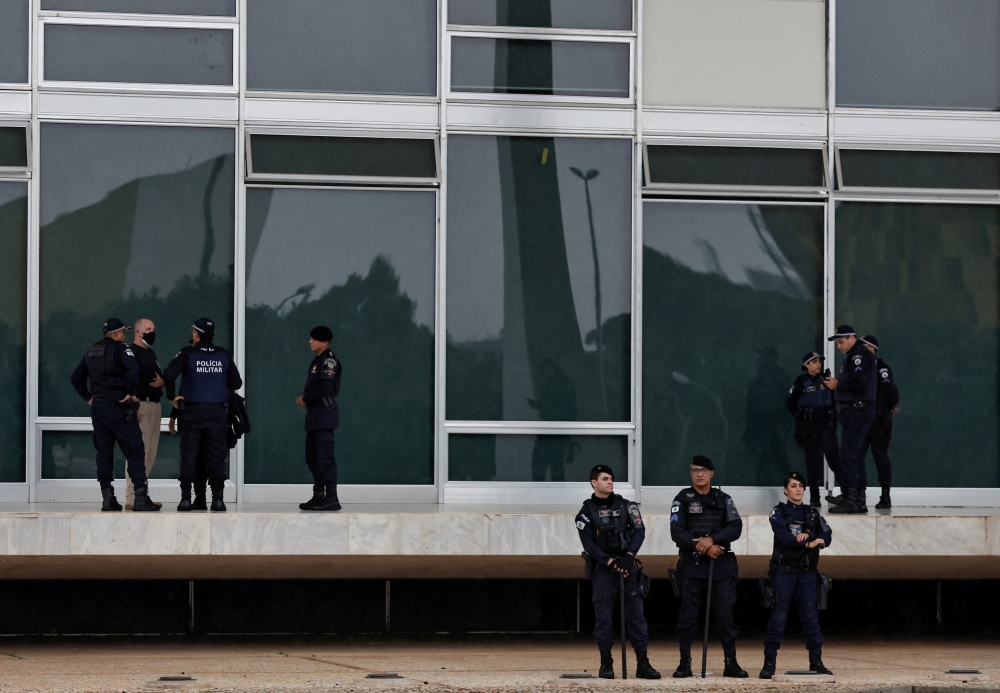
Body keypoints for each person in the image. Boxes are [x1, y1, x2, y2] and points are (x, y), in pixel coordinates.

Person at [576, 465, 660, 680]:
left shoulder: (626, 506)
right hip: (604, 570)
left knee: (636, 616)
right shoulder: (585, 512)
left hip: (627, 567)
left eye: (612, 478)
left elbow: (639, 531)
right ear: (594, 482)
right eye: (605, 479)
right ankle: (606, 661)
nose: (610, 482)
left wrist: (629, 556)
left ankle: (643, 662)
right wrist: (609, 561)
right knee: (603, 616)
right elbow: (588, 544)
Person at [69, 318, 160, 512]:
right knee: (135, 449)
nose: (124, 336)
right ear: (117, 333)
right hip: (118, 406)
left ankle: (108, 498)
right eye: (123, 333)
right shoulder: (121, 349)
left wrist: (89, 398)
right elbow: (133, 369)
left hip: (99, 408)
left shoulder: (92, 350)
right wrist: (132, 394)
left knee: (104, 451)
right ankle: (140, 497)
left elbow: (76, 378)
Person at [669, 456, 747, 678]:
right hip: (692, 566)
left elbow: (735, 527)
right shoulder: (682, 499)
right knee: (687, 617)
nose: (699, 474)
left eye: (703, 470)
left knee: (726, 616)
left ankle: (730, 663)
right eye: (694, 470)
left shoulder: (724, 499)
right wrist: (704, 547)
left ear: (711, 473)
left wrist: (712, 539)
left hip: (720, 565)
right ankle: (685, 663)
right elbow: (677, 532)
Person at [163, 318, 242, 512]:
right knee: (216, 457)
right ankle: (218, 500)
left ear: (197, 334)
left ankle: (186, 500)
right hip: (216, 414)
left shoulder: (188, 353)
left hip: (192, 413)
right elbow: (236, 383)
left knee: (190, 456)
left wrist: (172, 397)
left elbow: (168, 375)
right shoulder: (223, 354)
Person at [760, 471, 834, 679]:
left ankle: (816, 662)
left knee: (811, 618)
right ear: (785, 490)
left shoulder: (812, 513)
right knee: (778, 617)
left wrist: (811, 536)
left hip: (808, 574)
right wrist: (807, 543)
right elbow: (783, 536)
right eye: (793, 485)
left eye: (801, 485)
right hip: (784, 573)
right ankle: (769, 663)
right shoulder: (778, 512)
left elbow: (827, 535)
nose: (798, 489)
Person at [823, 325, 876, 515]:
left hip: (858, 410)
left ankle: (852, 498)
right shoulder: (853, 356)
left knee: (849, 453)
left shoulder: (858, 355)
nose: (839, 346)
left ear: (852, 337)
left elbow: (860, 383)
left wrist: (838, 384)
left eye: (841, 341)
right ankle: (856, 497)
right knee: (854, 454)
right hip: (854, 410)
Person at [295, 326, 343, 512]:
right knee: (313, 458)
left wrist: (305, 399)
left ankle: (331, 498)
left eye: (314, 339)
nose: (310, 341)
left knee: (325, 459)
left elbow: (326, 388)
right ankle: (318, 496)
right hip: (315, 416)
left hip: (324, 414)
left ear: (324, 342)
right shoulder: (318, 360)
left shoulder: (328, 361)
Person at [786, 352, 840, 507]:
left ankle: (846, 493)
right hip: (809, 426)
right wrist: (801, 417)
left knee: (835, 460)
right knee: (813, 462)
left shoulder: (827, 380)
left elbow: (834, 399)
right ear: (806, 365)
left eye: (819, 361)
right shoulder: (801, 382)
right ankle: (815, 497)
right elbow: (791, 403)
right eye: (814, 362)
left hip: (826, 425)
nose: (818, 364)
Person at [127, 318, 164, 510]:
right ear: (138, 332)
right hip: (141, 406)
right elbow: (128, 381)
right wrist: (133, 408)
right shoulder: (131, 352)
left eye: (153, 328)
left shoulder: (150, 353)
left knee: (150, 454)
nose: (152, 332)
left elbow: (155, 377)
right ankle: (133, 497)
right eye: (148, 329)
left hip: (155, 406)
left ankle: (143, 494)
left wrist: (162, 382)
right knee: (138, 454)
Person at [858, 336, 899, 509]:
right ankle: (858, 495)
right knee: (856, 456)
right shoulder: (859, 369)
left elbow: (891, 393)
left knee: (880, 456)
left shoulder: (881, 368)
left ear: (872, 349)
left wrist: (888, 408)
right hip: (862, 419)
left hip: (879, 420)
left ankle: (885, 495)